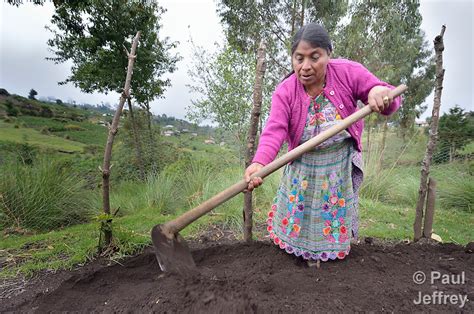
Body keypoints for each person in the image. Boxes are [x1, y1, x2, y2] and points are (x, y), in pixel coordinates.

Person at [244, 23, 401, 264]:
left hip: (337, 163)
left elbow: (386, 96)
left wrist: (380, 93)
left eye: (314, 57)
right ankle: (296, 254)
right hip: (302, 164)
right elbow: (274, 130)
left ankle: (327, 256)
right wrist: (259, 163)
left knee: (330, 212)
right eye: (299, 58)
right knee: (300, 211)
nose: (305, 66)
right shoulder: (285, 91)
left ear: (328, 54)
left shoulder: (348, 72)